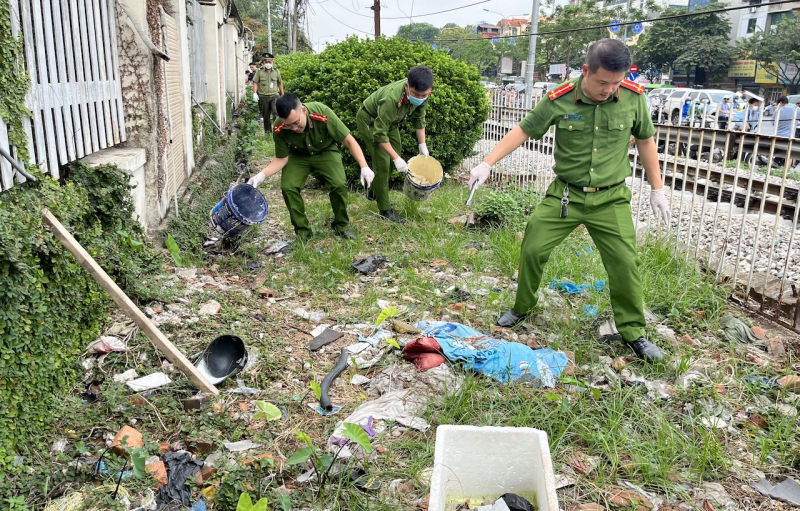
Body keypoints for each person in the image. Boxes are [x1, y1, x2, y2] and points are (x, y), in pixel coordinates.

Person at [468, 38, 669, 362]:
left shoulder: (633, 97)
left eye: (616, 83)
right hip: (566, 195)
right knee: (533, 247)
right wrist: (487, 163)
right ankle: (522, 306)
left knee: (625, 262)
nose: (609, 90)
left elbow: (646, 140)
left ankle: (633, 332)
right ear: (586, 71)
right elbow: (523, 130)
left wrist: (657, 189)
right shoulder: (559, 98)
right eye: (603, 82)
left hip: (611, 198)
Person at [247, 94, 374, 241]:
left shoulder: (322, 113)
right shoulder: (279, 127)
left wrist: (364, 166)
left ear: (303, 110)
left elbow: (348, 140)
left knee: (338, 184)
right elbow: (281, 159)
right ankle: (303, 232)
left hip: (325, 151)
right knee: (288, 187)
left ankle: (341, 225)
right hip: (298, 156)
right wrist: (261, 175)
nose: (294, 128)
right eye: (288, 125)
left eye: (296, 123)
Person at [356, 66, 434, 223]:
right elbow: (379, 134)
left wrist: (422, 145)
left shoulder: (424, 93)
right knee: (383, 163)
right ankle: (385, 209)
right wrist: (396, 159)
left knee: (395, 153)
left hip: (391, 123)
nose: (420, 98)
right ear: (407, 86)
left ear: (429, 91)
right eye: (416, 94)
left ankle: (374, 193)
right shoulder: (391, 99)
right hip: (370, 121)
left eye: (424, 95)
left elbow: (419, 118)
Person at [252, 53, 284, 133]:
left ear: (273, 62)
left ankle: (277, 130)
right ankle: (268, 132)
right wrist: (254, 93)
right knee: (266, 115)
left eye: (270, 62)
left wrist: (283, 94)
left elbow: (280, 83)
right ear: (263, 63)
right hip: (263, 96)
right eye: (266, 62)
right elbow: (255, 82)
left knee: (276, 113)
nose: (268, 63)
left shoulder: (276, 71)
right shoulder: (259, 71)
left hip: (274, 95)